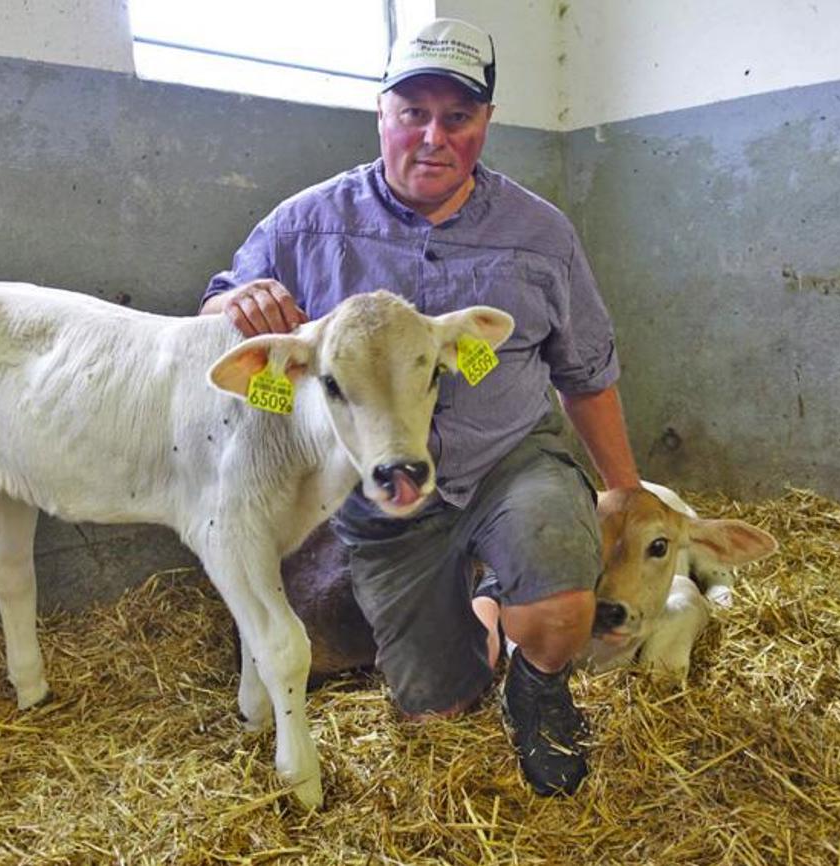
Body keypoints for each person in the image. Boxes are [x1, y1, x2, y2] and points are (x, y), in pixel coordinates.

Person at [201, 18, 640, 796]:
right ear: (382, 114)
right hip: (386, 499)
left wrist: (624, 490)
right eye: (413, 113)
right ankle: (483, 617)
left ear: (485, 124)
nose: (433, 136)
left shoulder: (539, 236)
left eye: (458, 117)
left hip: (507, 459)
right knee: (436, 710)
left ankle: (538, 684)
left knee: (565, 607)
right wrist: (239, 298)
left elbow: (586, 371)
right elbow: (216, 321)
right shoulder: (306, 225)